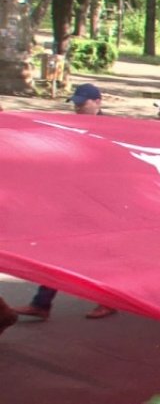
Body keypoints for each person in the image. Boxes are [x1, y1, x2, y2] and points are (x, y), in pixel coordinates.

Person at [15, 88, 117, 320]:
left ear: (98, 102)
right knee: (57, 252)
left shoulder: (110, 130)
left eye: (83, 104)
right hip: (72, 201)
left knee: (97, 254)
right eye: (76, 104)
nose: (78, 108)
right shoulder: (71, 126)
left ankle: (107, 300)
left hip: (99, 204)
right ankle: (42, 303)